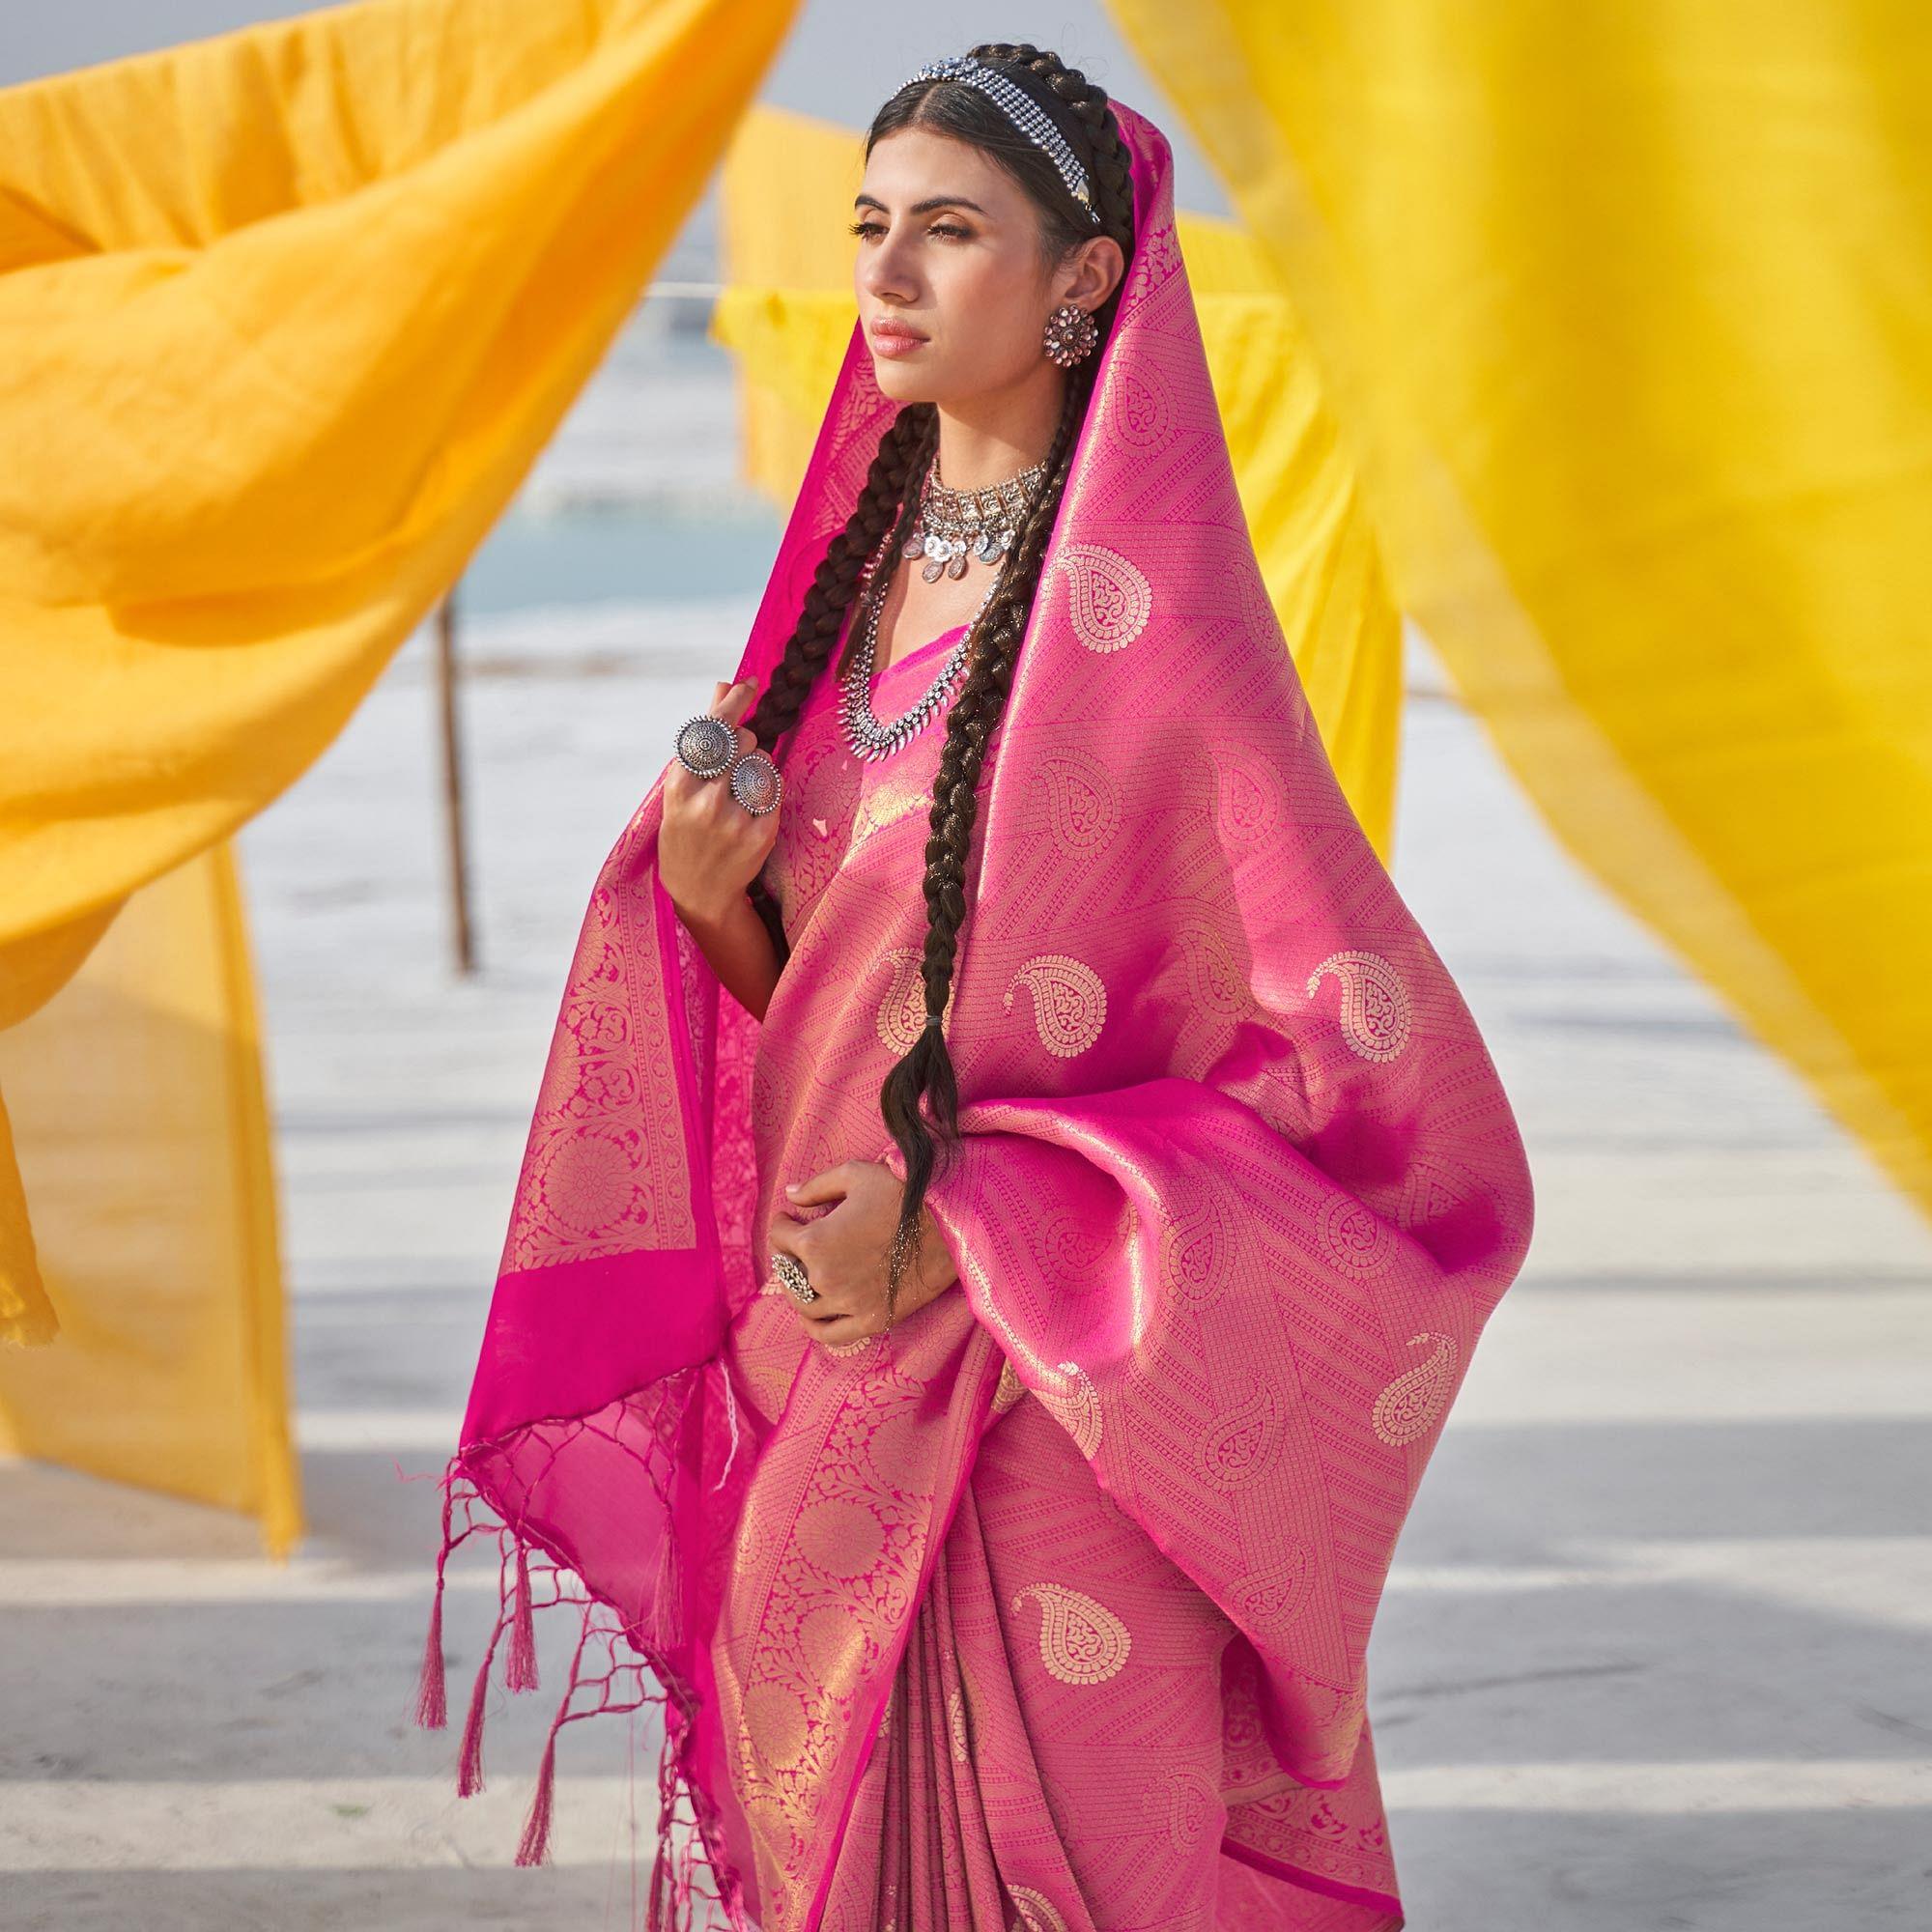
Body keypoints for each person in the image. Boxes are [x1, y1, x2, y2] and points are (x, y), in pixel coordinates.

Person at [413, 43, 1536, 1932]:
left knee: (1072, 1854)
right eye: (868, 229)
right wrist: (713, 912)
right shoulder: (851, 600)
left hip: (1038, 1386)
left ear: (1087, 280)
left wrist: (959, 1227)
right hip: (816, 1335)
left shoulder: (1157, 647)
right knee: (814, 1815)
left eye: (949, 231)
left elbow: (1355, 1083)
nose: (886, 278)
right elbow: (836, 1015)